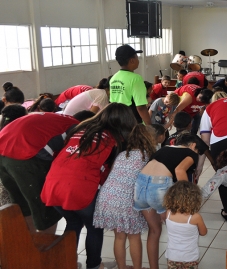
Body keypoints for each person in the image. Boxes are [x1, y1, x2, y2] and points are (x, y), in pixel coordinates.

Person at [41, 103, 137, 269]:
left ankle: (67, 263)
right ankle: (94, 265)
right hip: (78, 187)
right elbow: (109, 173)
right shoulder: (113, 140)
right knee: (94, 226)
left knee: (73, 224)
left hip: (53, 185)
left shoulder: (79, 130)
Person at [0, 112, 79, 234]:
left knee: (22, 206)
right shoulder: (77, 129)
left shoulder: (62, 119)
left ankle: (28, 247)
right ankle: (45, 248)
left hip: (3, 151)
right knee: (44, 208)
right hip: (24, 155)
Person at [93, 124, 156, 269]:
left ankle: (121, 267)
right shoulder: (147, 156)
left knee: (119, 236)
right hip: (126, 199)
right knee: (134, 237)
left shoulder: (122, 154)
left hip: (108, 197)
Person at [133, 133, 199, 269]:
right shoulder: (191, 153)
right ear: (193, 145)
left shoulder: (164, 149)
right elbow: (180, 170)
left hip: (140, 186)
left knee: (154, 231)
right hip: (158, 188)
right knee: (176, 230)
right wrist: (188, 199)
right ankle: (180, 264)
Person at [164, 181, 207, 269]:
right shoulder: (195, 217)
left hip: (172, 256)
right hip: (190, 257)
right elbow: (203, 232)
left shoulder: (168, 213)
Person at [109, 44, 151, 125]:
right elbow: (141, 107)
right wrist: (149, 126)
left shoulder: (114, 78)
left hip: (117, 121)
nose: (138, 60)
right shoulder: (136, 79)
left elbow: (112, 102)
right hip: (132, 122)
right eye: (137, 57)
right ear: (132, 60)